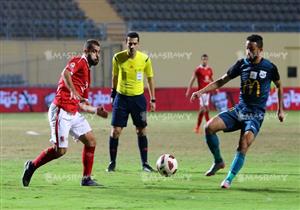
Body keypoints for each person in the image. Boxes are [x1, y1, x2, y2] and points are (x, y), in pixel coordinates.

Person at [190, 34, 284, 189]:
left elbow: (279, 85)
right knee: (209, 127)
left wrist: (280, 110)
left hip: (256, 114)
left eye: (252, 49)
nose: (248, 52)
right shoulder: (241, 64)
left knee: (244, 143)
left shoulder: (270, 67)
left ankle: (228, 179)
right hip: (239, 109)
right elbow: (221, 81)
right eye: (247, 48)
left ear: (260, 50)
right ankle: (218, 161)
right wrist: (201, 91)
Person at [22, 39, 108, 187]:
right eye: (94, 52)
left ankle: (86, 179)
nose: (97, 55)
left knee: (91, 141)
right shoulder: (79, 61)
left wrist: (95, 110)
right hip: (61, 110)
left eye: (98, 52)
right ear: (86, 51)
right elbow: (65, 73)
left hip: (73, 112)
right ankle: (32, 166)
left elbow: (82, 103)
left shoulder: (87, 74)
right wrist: (73, 91)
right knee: (60, 151)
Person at [107, 31, 156, 172]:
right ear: (126, 43)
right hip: (121, 98)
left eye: (135, 43)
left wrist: (153, 99)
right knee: (115, 131)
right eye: (130, 43)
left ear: (138, 44)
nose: (132, 46)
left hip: (138, 100)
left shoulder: (145, 59)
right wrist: (113, 93)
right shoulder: (118, 57)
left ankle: (145, 163)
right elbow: (114, 76)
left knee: (141, 130)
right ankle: (112, 163)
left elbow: (150, 79)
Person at [186, 54, 214, 134]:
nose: (204, 61)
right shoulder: (198, 69)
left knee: (205, 110)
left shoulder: (209, 69)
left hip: (207, 92)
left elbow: (211, 79)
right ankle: (203, 126)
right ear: (201, 60)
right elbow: (192, 79)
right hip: (201, 92)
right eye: (203, 59)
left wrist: (216, 88)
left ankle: (201, 126)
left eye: (206, 59)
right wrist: (188, 90)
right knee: (203, 109)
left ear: (207, 60)